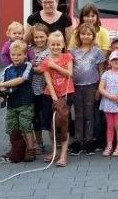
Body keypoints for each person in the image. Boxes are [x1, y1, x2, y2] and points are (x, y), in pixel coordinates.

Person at [0, 40, 37, 162]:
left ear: (25, 55)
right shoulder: (7, 69)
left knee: (26, 126)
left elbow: (21, 79)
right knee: (12, 128)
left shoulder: (28, 66)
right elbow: (3, 86)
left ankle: (31, 149)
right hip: (12, 105)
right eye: (13, 55)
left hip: (25, 103)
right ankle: (16, 148)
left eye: (19, 54)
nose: (16, 57)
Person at [69, 22, 106, 156]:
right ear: (79, 35)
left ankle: (89, 140)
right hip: (76, 86)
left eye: (89, 34)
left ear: (93, 36)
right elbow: (70, 70)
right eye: (83, 33)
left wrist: (99, 89)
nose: (86, 36)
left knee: (90, 113)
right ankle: (79, 140)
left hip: (92, 86)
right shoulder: (72, 52)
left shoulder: (97, 52)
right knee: (78, 114)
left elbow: (101, 71)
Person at [40, 31, 73, 167]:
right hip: (51, 95)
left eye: (58, 44)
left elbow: (69, 74)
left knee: (64, 123)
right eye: (52, 44)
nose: (55, 47)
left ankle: (64, 154)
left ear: (63, 45)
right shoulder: (45, 61)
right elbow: (48, 80)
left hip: (66, 93)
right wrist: (54, 98)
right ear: (48, 45)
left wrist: (56, 66)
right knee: (52, 124)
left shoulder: (67, 56)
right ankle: (55, 150)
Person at [28, 23, 51, 157]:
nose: (39, 39)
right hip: (33, 90)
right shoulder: (29, 50)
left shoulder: (51, 50)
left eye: (42, 36)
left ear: (47, 37)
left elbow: (47, 67)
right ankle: (40, 143)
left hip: (48, 89)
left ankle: (54, 142)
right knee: (35, 117)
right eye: (36, 37)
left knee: (47, 116)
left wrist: (36, 67)